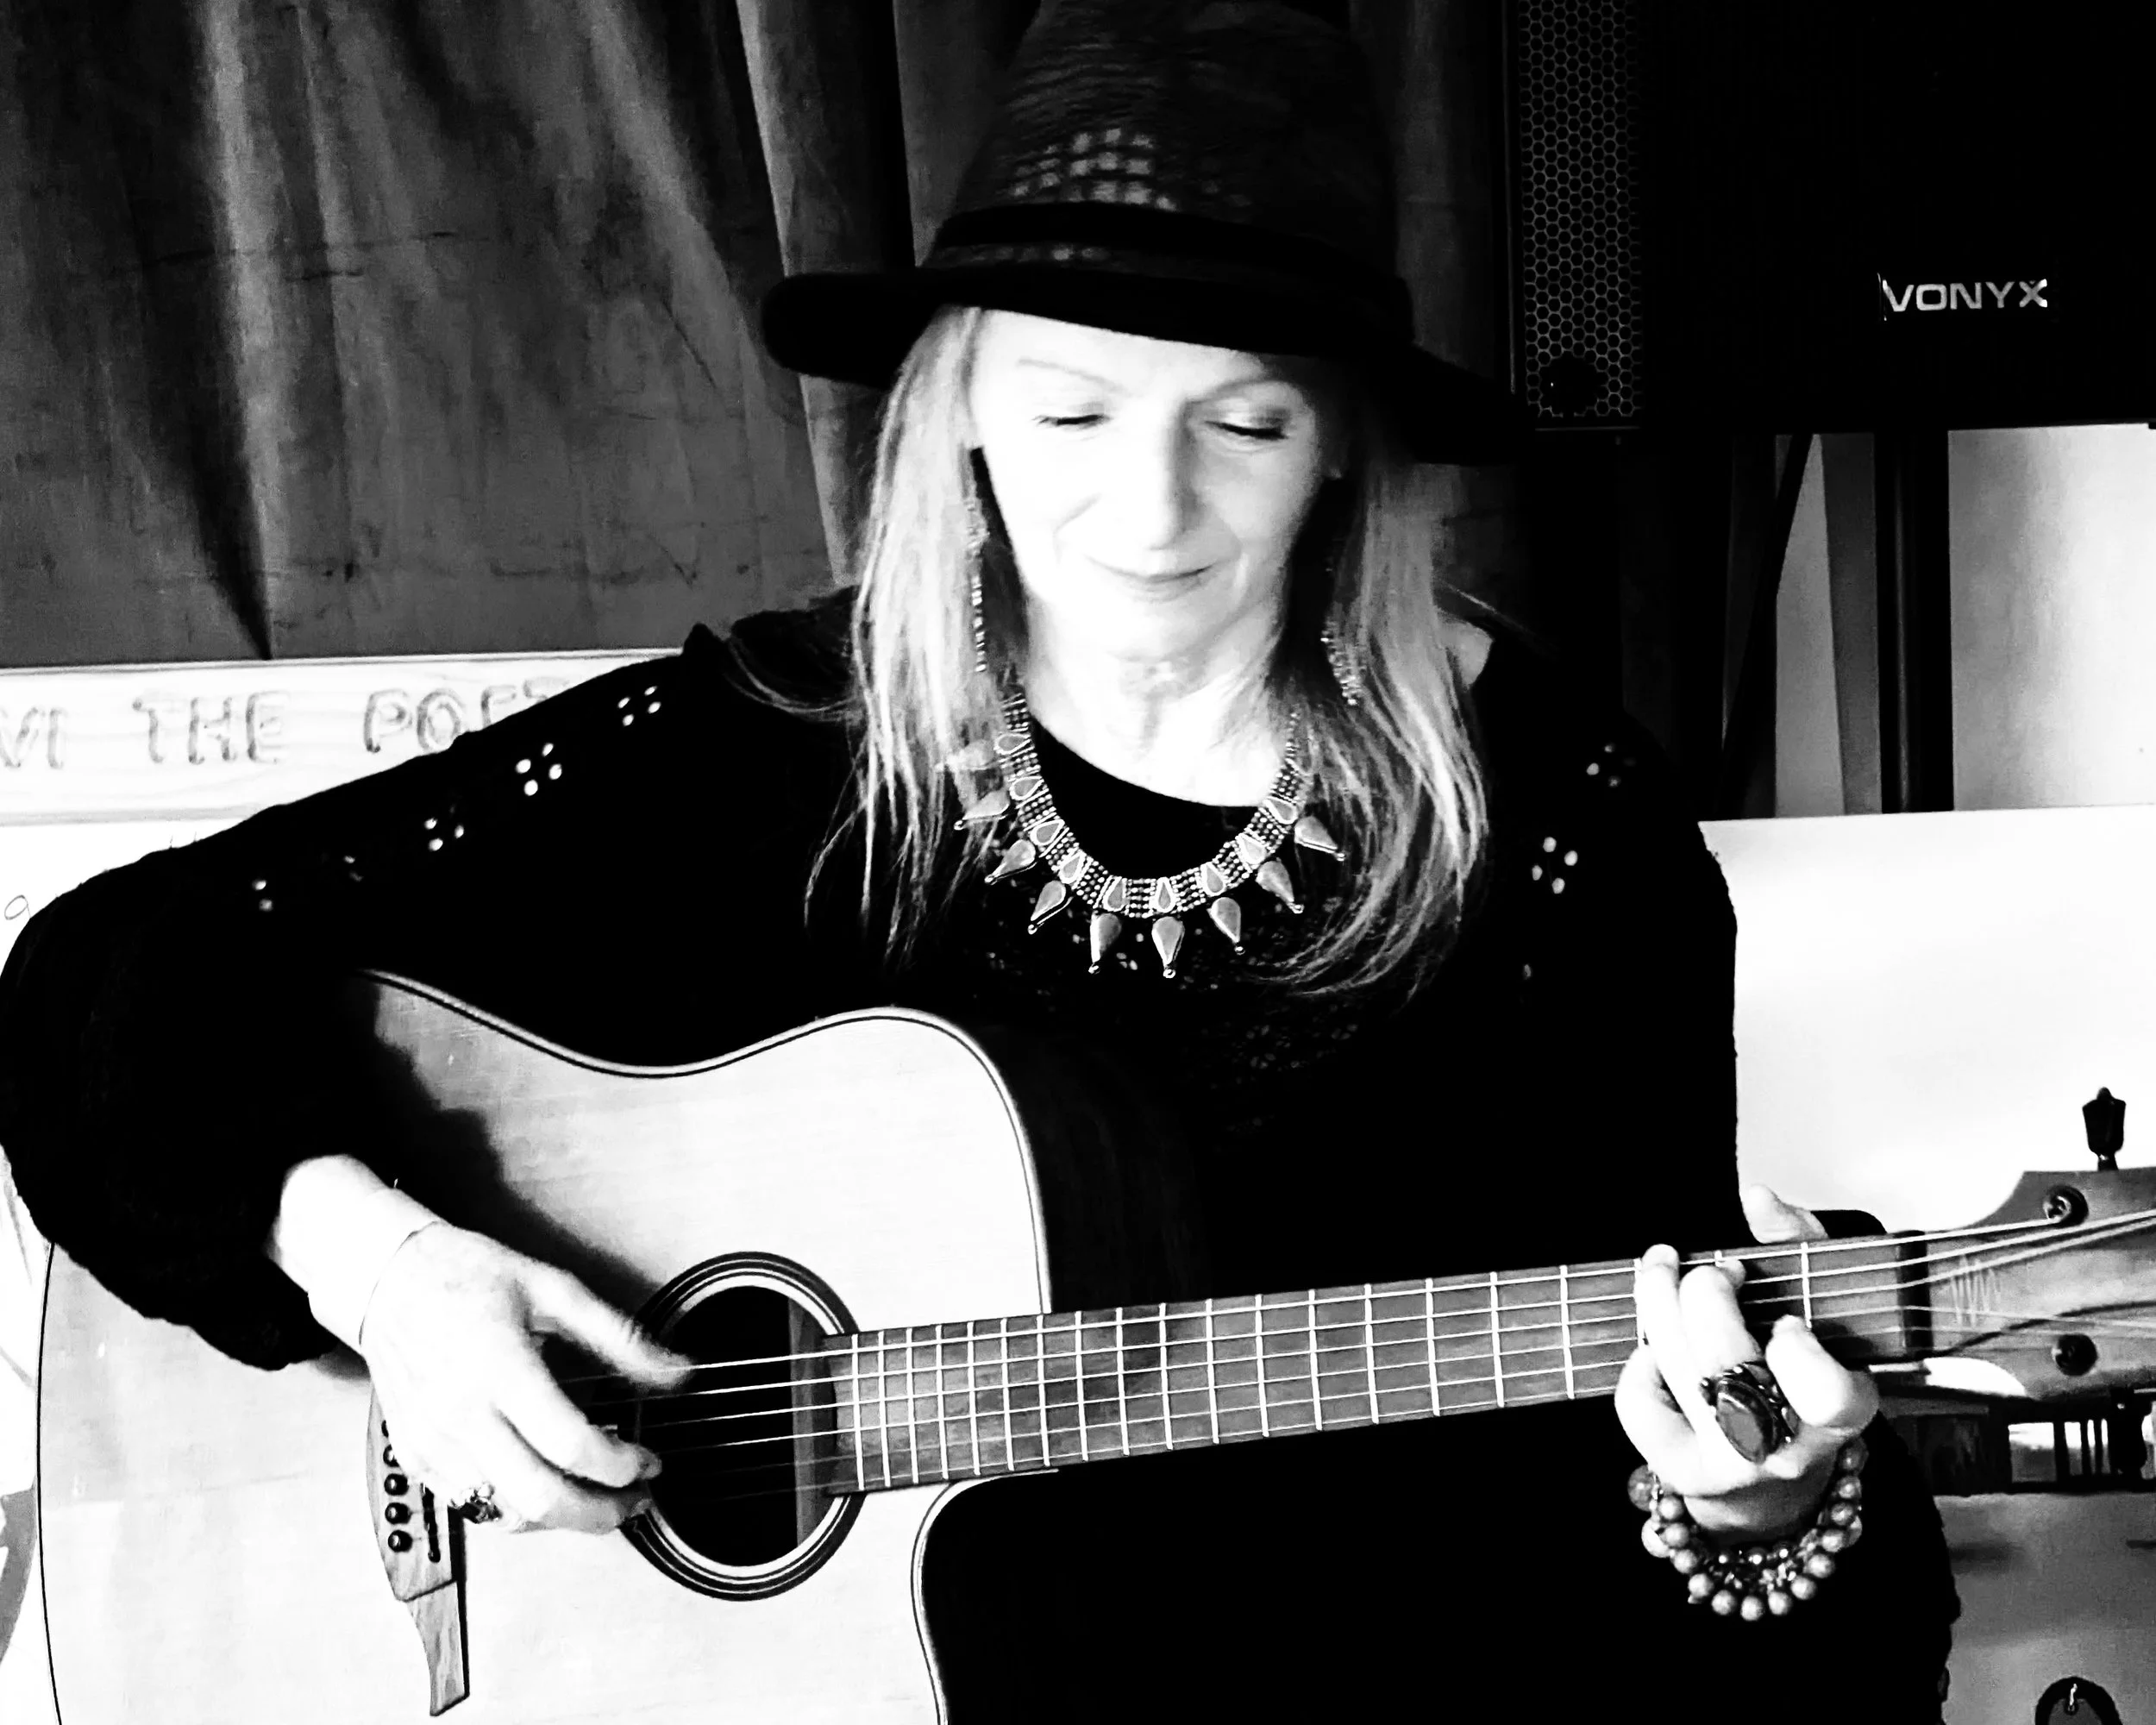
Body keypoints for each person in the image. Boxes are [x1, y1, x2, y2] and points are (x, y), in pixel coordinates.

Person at [0, 2, 1956, 1716]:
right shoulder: (759, 749)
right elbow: (100, 979)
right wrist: (390, 1275)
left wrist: (1754, 1496)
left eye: (1243, 423)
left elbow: (1693, 1465)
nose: (1147, 509)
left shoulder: (1559, 836)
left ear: (1347, 442)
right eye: (1069, 408)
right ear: (954, 414)